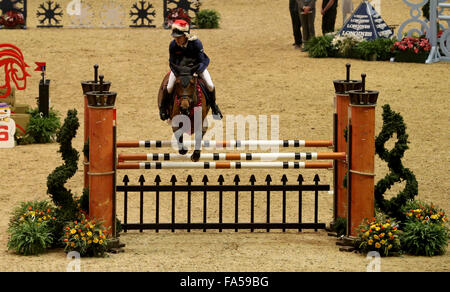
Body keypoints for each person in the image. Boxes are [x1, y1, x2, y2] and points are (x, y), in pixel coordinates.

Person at [160, 19, 222, 121]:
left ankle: (214, 106)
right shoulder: (173, 45)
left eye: (178, 38)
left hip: (196, 68)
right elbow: (172, 62)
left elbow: (202, 61)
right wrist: (178, 72)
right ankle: (163, 108)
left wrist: (196, 71)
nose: (176, 40)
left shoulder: (196, 43)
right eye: (175, 37)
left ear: (185, 35)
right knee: (169, 87)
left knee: (210, 85)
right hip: (180, 69)